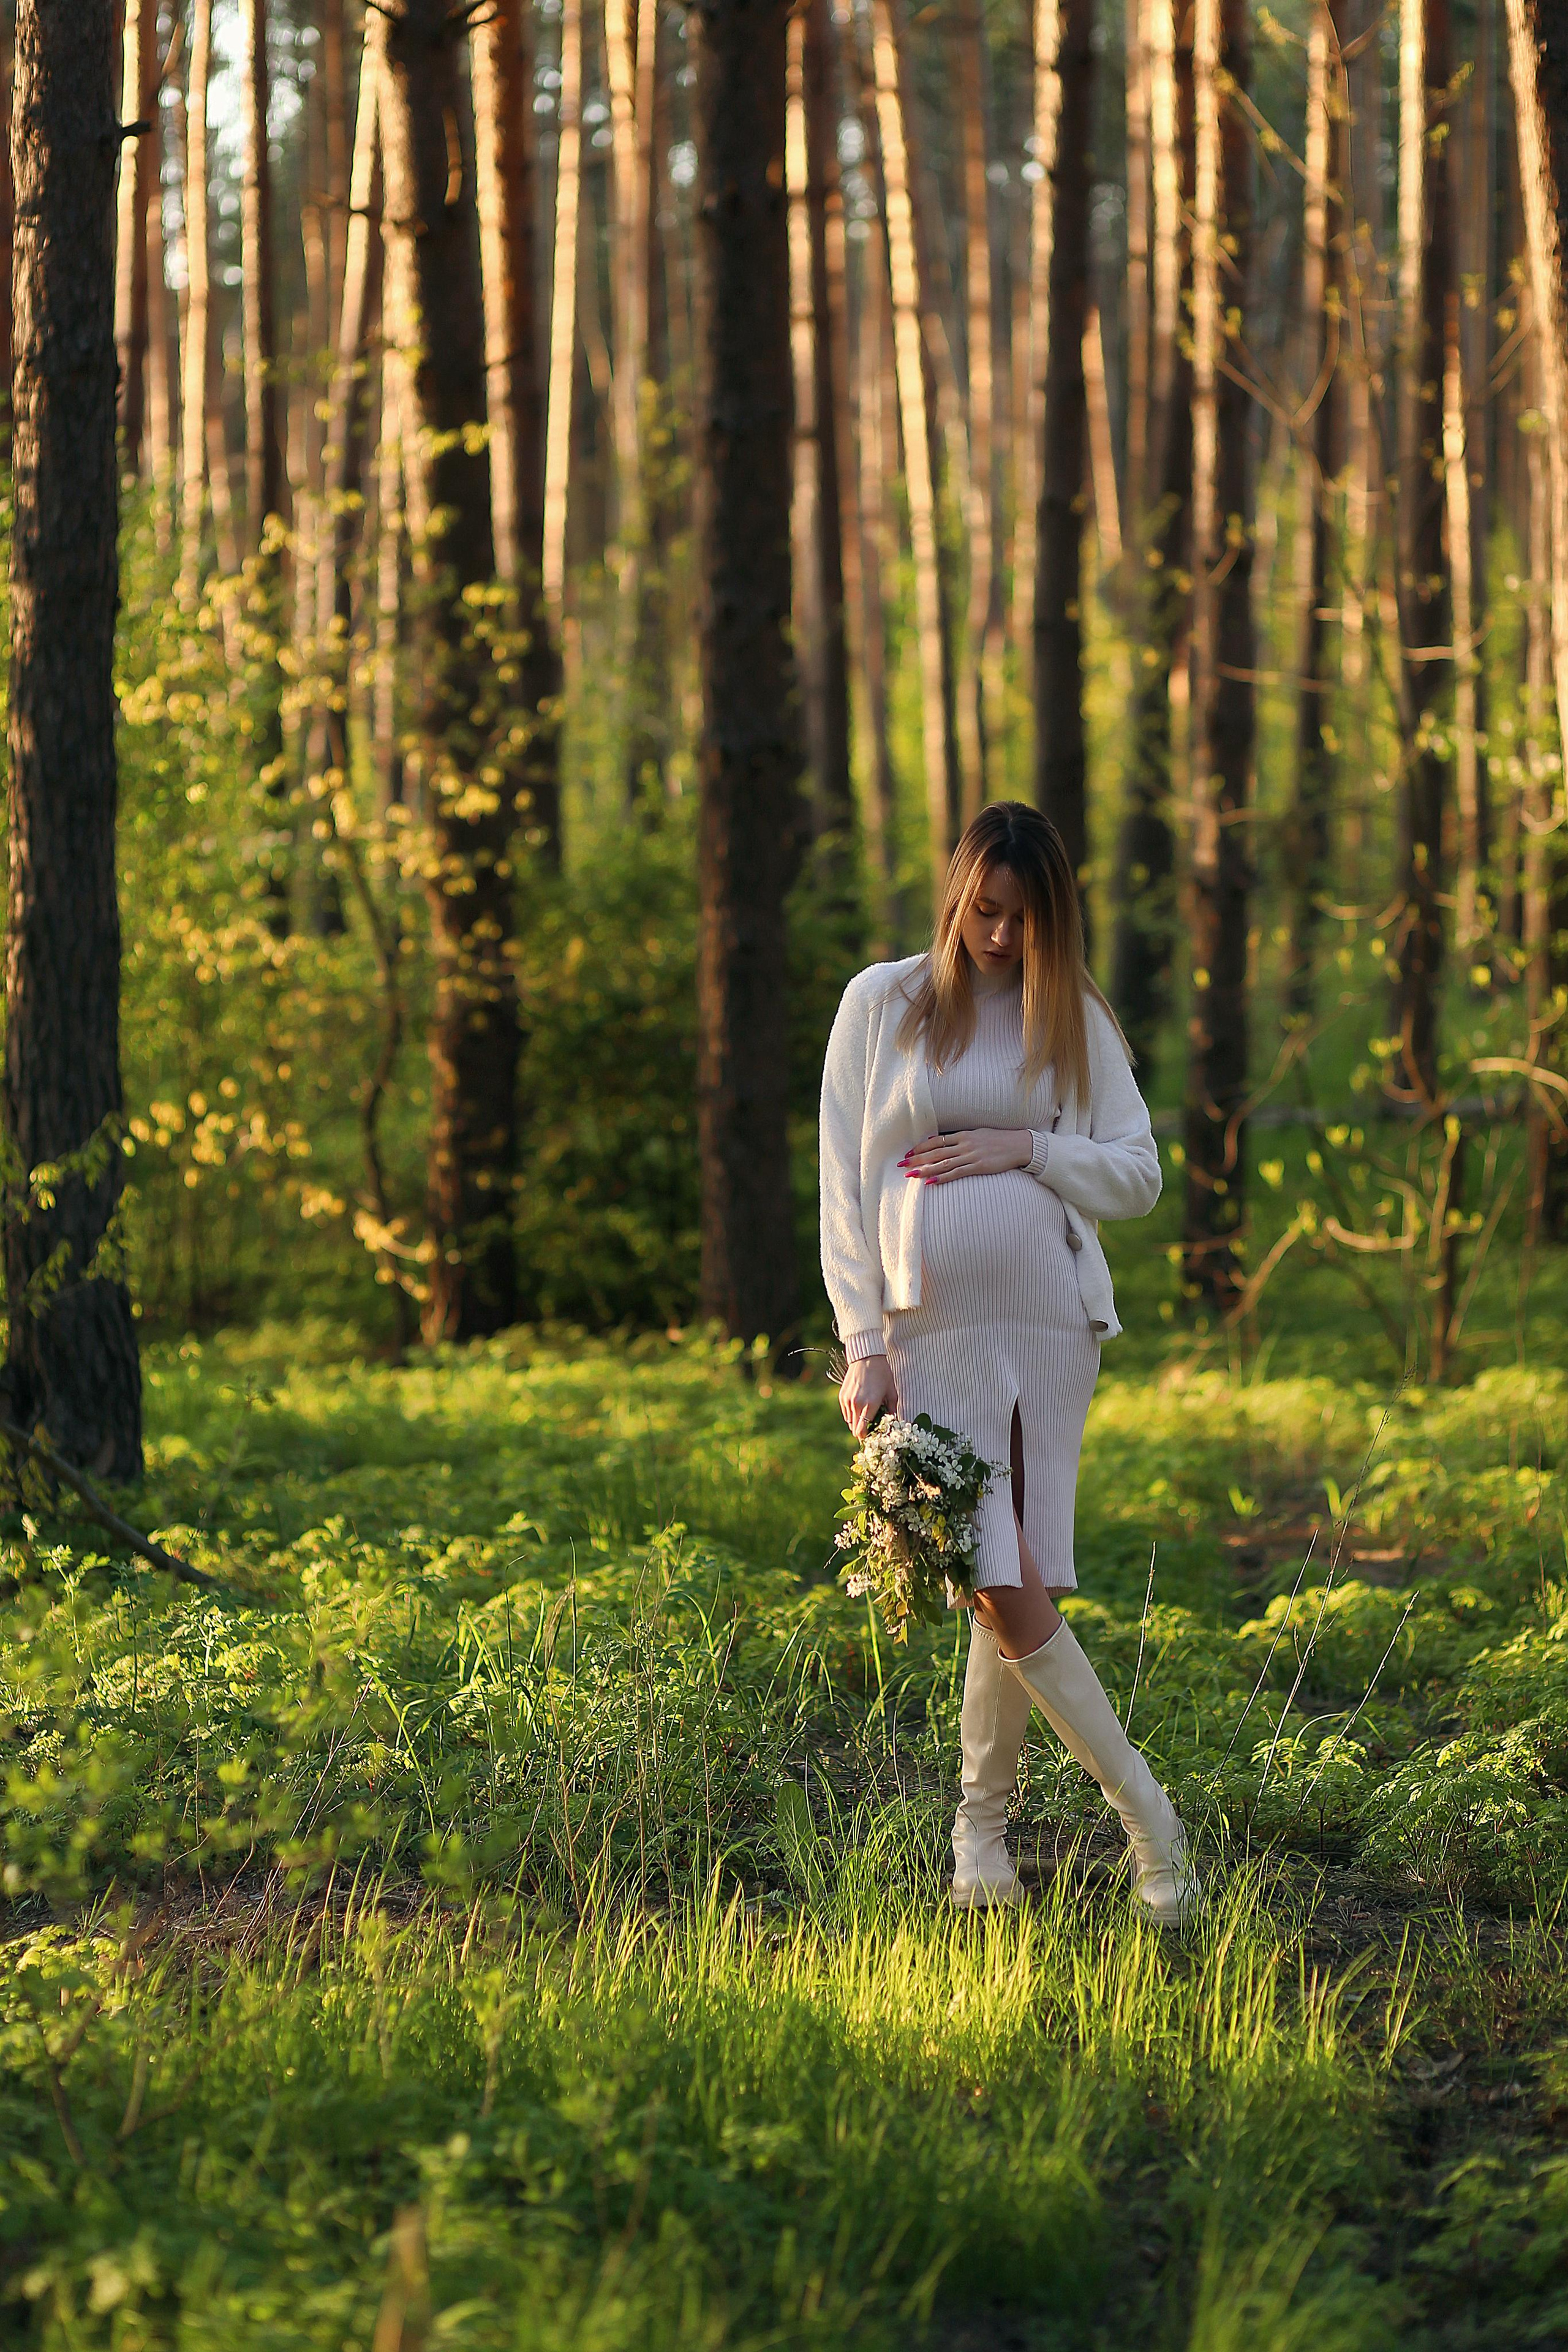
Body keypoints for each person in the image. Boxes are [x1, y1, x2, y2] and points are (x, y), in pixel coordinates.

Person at [818, 802, 1194, 1925]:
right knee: (991, 1571)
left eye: (1021, 921)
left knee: (1020, 1571)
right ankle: (1151, 1823)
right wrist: (864, 1340)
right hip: (927, 1330)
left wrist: (1028, 1148)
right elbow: (845, 1179)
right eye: (984, 911)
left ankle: (981, 1839)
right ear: (956, 893)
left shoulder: (1069, 1013)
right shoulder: (882, 1005)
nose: (996, 937)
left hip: (1047, 1326)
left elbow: (1139, 1175)